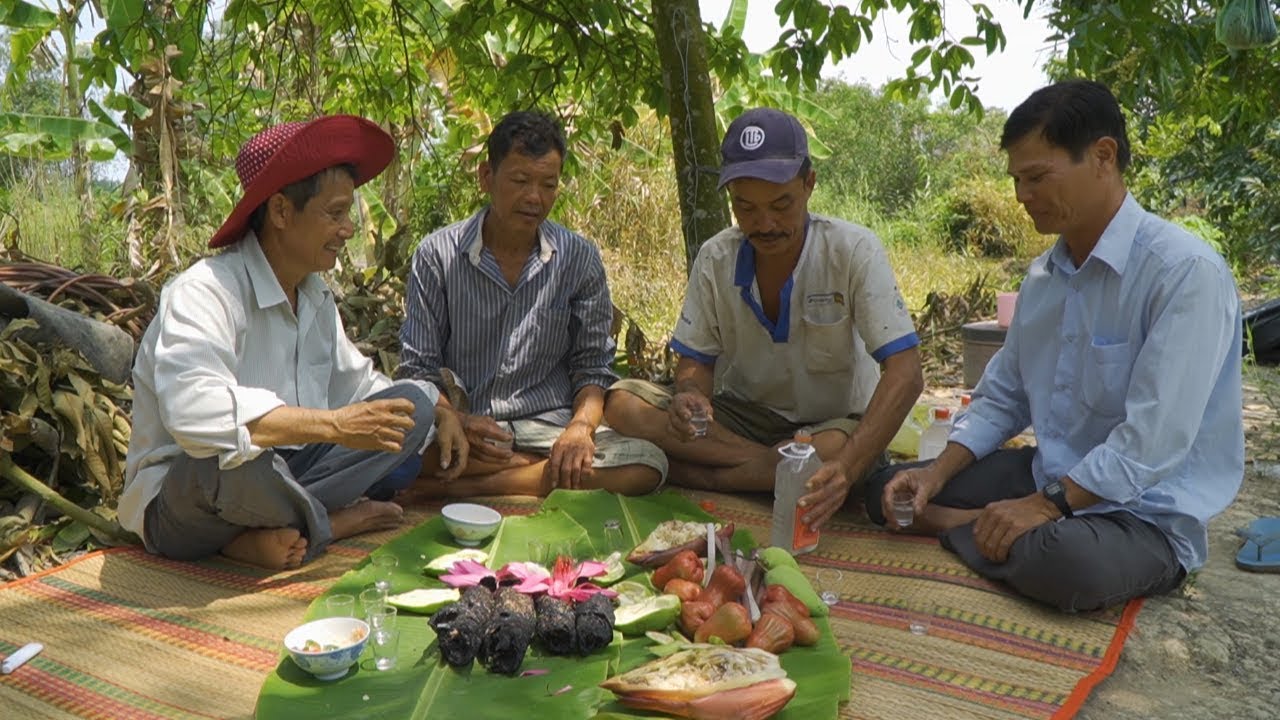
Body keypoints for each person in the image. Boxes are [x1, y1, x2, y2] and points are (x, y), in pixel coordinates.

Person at [867, 80, 1244, 612]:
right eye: (1017, 180)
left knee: (1065, 565)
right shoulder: (1044, 278)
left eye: (1037, 177)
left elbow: (1151, 444)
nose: (1022, 196)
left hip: (1142, 513)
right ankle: (977, 524)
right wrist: (934, 473)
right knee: (888, 488)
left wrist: (1044, 507)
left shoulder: (1184, 274)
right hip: (1050, 474)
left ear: (1103, 156)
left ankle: (957, 526)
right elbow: (1002, 397)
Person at [121, 115, 466, 571]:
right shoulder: (205, 291)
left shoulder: (316, 298)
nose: (348, 229)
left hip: (286, 478)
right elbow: (192, 414)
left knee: (411, 411)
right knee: (229, 464)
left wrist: (438, 409)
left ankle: (261, 534)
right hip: (194, 493)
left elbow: (360, 387)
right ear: (282, 212)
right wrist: (333, 426)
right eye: (335, 213)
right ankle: (329, 524)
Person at [604, 107, 923, 531]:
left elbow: (906, 373)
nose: (765, 223)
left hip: (829, 426)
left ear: (809, 184)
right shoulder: (717, 257)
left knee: (826, 451)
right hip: (741, 420)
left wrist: (847, 466)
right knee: (623, 403)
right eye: (746, 207)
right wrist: (688, 396)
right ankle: (769, 472)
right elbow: (696, 363)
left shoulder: (853, 251)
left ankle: (701, 476)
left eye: (781, 204)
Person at [398, 110, 667, 497]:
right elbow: (418, 368)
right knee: (392, 452)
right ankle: (531, 475)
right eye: (520, 181)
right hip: (467, 430)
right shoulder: (437, 254)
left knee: (645, 465)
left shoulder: (578, 258)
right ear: (486, 178)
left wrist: (579, 430)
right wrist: (457, 418)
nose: (534, 198)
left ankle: (463, 487)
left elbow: (592, 368)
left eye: (548, 184)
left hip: (548, 429)